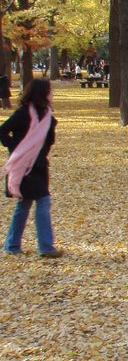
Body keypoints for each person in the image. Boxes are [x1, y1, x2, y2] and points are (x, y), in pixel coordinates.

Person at [1, 79, 62, 257]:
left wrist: (39, 154)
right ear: (43, 93)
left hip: (39, 166)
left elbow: (49, 141)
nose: (53, 94)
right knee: (42, 201)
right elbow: (3, 131)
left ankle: (12, 245)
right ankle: (45, 247)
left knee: (25, 204)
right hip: (24, 167)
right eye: (50, 90)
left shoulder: (48, 117)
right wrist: (18, 149)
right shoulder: (23, 114)